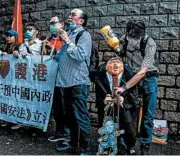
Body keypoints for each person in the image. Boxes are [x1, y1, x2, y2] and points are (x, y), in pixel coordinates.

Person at [113, 20, 158, 155]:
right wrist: (114, 46)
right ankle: (124, 144)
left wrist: (124, 87)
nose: (132, 37)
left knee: (147, 116)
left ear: (141, 33)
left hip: (148, 78)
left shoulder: (149, 43)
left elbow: (143, 71)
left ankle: (144, 145)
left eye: (135, 34)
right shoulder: (124, 39)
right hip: (130, 75)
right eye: (130, 34)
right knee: (126, 111)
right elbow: (119, 54)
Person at [54, 8, 92, 155]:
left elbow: (80, 55)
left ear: (81, 21)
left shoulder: (84, 35)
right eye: (69, 15)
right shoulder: (68, 35)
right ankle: (73, 144)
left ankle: (85, 149)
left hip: (78, 83)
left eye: (73, 15)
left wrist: (68, 41)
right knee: (70, 116)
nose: (70, 17)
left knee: (81, 116)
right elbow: (65, 56)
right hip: (66, 83)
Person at [95, 57, 139, 155]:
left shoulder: (128, 74)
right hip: (108, 104)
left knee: (128, 125)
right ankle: (111, 146)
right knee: (108, 125)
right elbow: (99, 92)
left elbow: (133, 93)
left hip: (124, 104)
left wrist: (124, 99)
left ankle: (130, 146)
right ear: (107, 66)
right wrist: (104, 97)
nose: (115, 65)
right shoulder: (101, 75)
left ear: (122, 66)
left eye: (117, 63)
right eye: (112, 62)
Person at [45, 16, 70, 142]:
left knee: (65, 106)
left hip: (64, 79)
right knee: (57, 107)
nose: (51, 25)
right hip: (51, 79)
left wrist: (53, 49)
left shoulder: (66, 38)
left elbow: (67, 54)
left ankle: (67, 133)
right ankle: (59, 131)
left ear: (62, 24)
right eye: (50, 23)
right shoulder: (48, 39)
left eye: (54, 23)